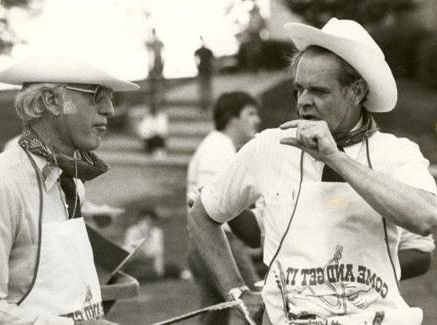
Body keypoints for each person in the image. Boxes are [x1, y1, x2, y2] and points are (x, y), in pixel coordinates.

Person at [187, 18, 437, 325]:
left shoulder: (395, 152)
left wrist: (335, 158)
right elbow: (203, 214)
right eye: (298, 89)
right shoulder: (268, 146)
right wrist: (236, 291)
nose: (304, 102)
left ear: (356, 91)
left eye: (318, 91)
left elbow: (425, 217)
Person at [0, 54, 139, 325]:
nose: (109, 109)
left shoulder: (72, 180)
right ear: (51, 101)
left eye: (111, 98)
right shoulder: (5, 183)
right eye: (97, 96)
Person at [187, 91, 261, 324]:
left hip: (203, 245)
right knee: (256, 311)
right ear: (232, 119)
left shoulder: (217, 145)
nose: (257, 119)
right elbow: (207, 203)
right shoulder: (218, 149)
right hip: (220, 243)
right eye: (250, 113)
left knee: (213, 320)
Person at [194, 36, 214, 110]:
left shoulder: (200, 50)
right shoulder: (208, 50)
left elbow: (195, 59)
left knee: (204, 89)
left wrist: (197, 66)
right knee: (206, 88)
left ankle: (205, 105)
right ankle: (206, 105)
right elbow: (212, 60)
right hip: (206, 70)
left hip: (203, 70)